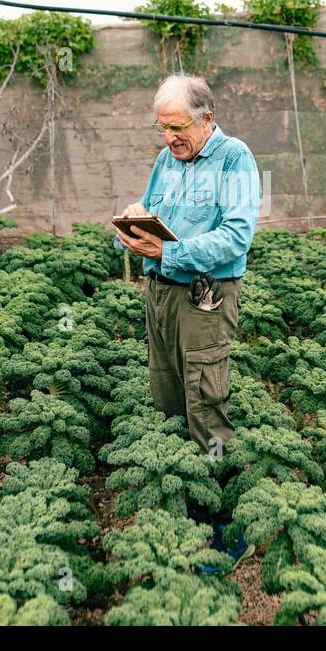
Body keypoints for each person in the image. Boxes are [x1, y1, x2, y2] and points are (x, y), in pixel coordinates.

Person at [115, 73, 260, 558]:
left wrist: (168, 252)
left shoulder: (235, 159)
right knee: (168, 393)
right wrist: (135, 223)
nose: (169, 138)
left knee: (205, 404)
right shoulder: (166, 159)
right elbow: (154, 211)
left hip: (204, 298)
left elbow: (236, 237)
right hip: (159, 293)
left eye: (177, 127)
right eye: (162, 128)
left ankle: (222, 523)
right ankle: (185, 500)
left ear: (207, 119)